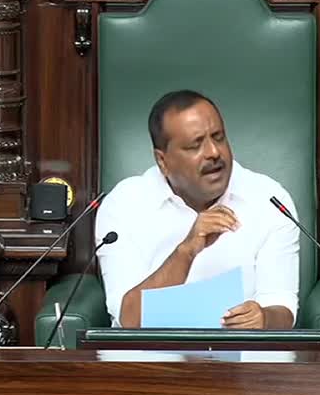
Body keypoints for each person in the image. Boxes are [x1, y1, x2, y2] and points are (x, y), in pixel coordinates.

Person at [95, 89, 300, 329]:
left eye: (219, 137)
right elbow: (129, 319)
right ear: (163, 161)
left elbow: (283, 308)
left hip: (242, 358)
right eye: (195, 146)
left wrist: (264, 318)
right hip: (152, 360)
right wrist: (186, 251)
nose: (214, 152)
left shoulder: (269, 199)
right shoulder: (124, 205)